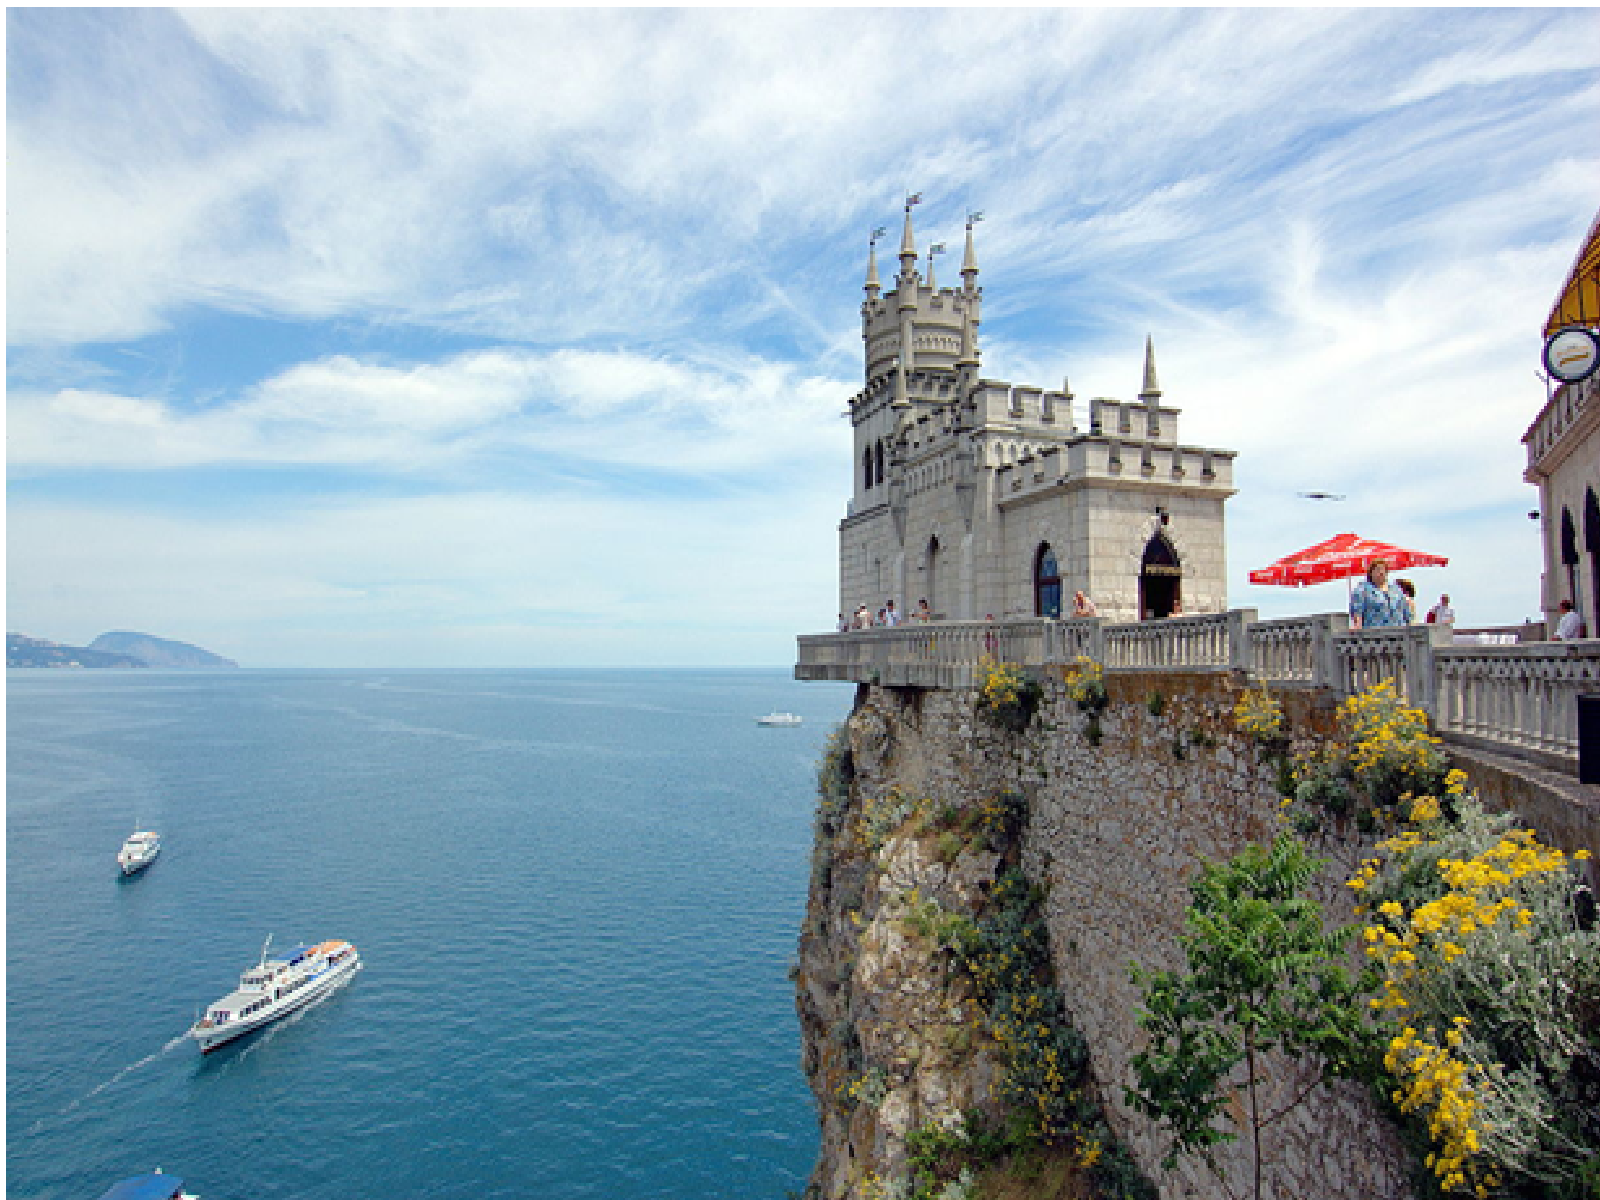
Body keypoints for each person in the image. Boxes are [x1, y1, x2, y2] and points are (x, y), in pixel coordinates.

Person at [1349, 559, 1409, 629]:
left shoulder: (1396, 589)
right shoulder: (1362, 590)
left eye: (1384, 570)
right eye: (1378, 570)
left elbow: (1406, 611)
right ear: (1371, 573)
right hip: (1374, 634)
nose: (1381, 572)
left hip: (1399, 633)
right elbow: (1357, 613)